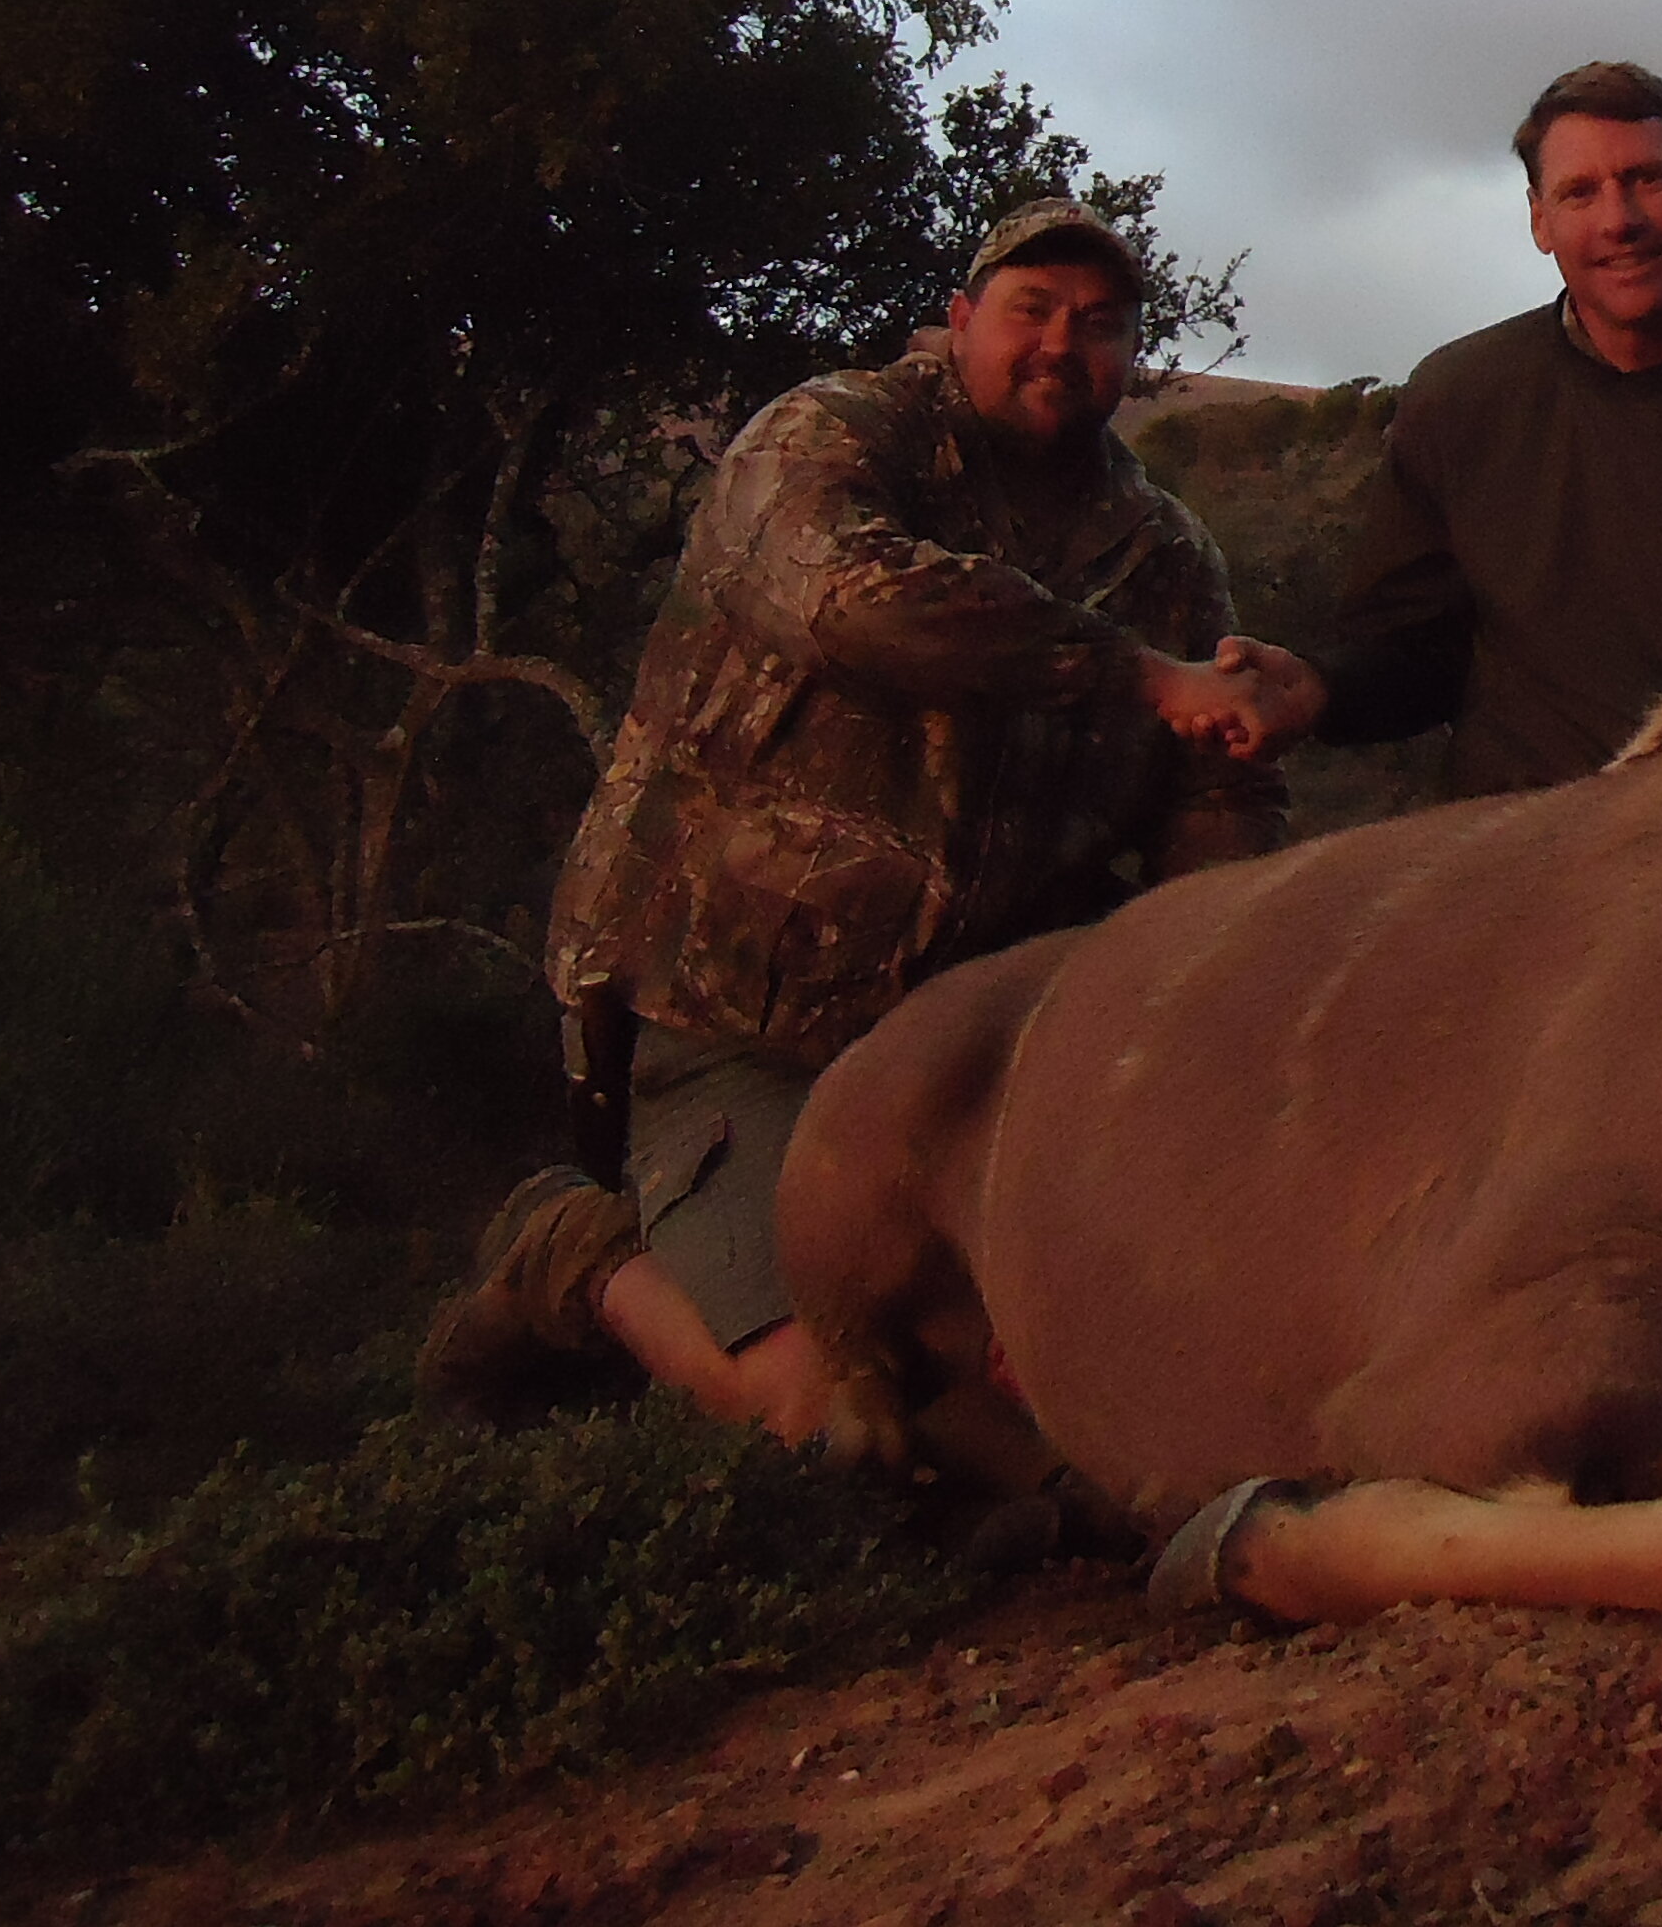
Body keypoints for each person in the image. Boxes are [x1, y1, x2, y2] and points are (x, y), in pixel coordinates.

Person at [420, 200, 1285, 1478]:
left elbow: (1215, 804)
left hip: (987, 1062)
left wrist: (1232, 985)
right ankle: (575, 1253)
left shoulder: (1165, 554)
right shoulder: (828, 438)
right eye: (1030, 311)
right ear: (959, 322)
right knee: (835, 1414)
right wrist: (1132, 673)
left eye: (1100, 325)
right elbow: (852, 604)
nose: (1061, 345)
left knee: (1082, 1384)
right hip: (741, 1028)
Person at [1228, 60, 1662, 795]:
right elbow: (1411, 656)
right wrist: (1315, 688)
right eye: (1580, 192)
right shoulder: (1459, 397)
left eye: (1648, 179)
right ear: (1540, 220)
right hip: (1521, 848)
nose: (1619, 220)